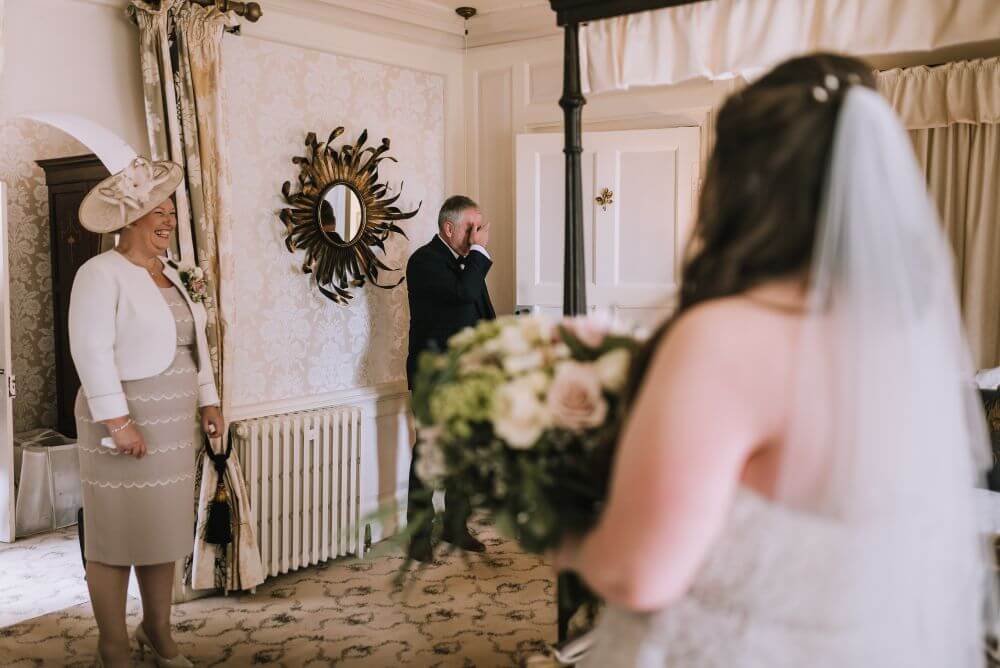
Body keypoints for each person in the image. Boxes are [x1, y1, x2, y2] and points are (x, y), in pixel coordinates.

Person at [550, 54, 994, 666]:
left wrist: (559, 537)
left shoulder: (723, 338)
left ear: (743, 186)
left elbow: (638, 576)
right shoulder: (903, 337)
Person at [70, 157, 224, 668]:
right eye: (156, 212)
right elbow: (90, 351)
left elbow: (193, 344)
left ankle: (157, 632)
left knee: (164, 532)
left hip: (173, 424)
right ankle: (112, 643)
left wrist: (209, 400)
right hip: (120, 422)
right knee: (115, 535)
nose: (168, 220)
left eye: (172, 211)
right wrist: (118, 422)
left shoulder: (178, 274)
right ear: (128, 220)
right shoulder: (99, 273)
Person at [406, 195, 496, 562]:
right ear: (449, 228)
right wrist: (479, 252)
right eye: (472, 227)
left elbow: (480, 312)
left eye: (479, 228)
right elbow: (465, 293)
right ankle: (416, 537)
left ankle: (455, 526)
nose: (478, 235)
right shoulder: (425, 261)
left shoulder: (465, 262)